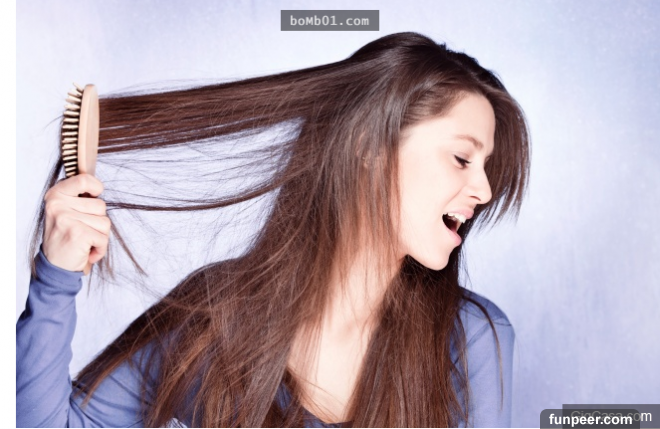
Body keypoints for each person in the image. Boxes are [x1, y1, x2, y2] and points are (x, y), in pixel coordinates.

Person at [17, 32, 530, 427]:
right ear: (369, 148)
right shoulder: (218, 315)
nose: (484, 190)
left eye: (486, 167)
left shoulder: (472, 339)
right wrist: (56, 279)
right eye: (462, 158)